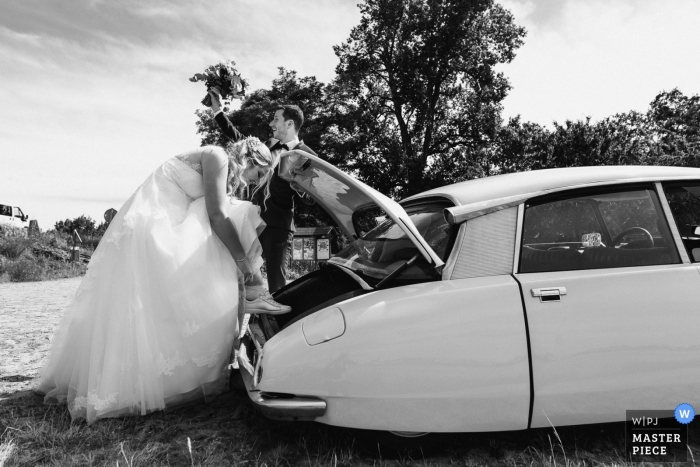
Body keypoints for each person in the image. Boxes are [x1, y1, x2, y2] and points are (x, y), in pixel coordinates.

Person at [36, 138, 290, 424]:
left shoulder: (222, 167)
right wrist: (243, 262)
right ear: (252, 159)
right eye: (258, 173)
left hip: (172, 220)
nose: (255, 181)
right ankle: (255, 288)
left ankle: (252, 292)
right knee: (238, 214)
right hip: (159, 225)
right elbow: (217, 215)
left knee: (166, 308)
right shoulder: (217, 156)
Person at [210, 90, 317, 293]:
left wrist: (299, 188)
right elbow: (239, 139)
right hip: (250, 218)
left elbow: (312, 198)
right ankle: (244, 316)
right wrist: (218, 111)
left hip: (278, 225)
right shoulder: (267, 145)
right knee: (241, 271)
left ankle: (278, 324)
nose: (271, 124)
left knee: (277, 280)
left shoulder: (308, 156)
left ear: (289, 124)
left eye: (276, 119)